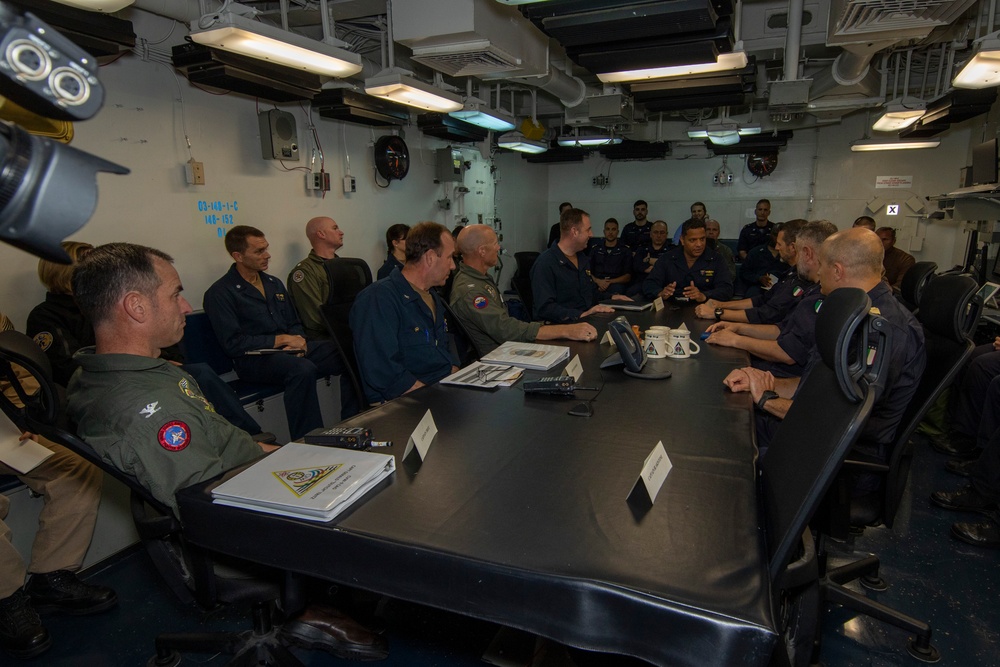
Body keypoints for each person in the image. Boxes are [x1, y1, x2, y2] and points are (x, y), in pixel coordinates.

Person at [64, 243, 387, 660]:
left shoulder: (130, 368)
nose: (185, 306)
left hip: (247, 472)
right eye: (175, 294)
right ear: (136, 307)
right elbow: (212, 509)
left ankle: (325, 592)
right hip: (235, 523)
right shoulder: (145, 411)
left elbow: (217, 439)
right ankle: (312, 607)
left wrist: (283, 452)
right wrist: (316, 481)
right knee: (370, 499)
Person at [722, 227, 926, 470]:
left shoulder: (883, 329)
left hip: (834, 453)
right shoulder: (850, 312)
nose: (818, 272)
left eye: (823, 265)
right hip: (814, 428)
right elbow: (814, 385)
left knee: (728, 437)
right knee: (730, 412)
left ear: (837, 271)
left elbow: (844, 417)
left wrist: (767, 399)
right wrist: (760, 381)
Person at [25, 243, 267, 438]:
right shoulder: (48, 315)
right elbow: (67, 366)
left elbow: (162, 339)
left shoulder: (111, 307)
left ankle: (245, 435)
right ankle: (247, 436)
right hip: (121, 380)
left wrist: (165, 362)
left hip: (152, 370)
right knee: (198, 375)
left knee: (194, 374)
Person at [0, 312, 116, 660]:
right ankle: (7, 599)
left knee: (76, 470)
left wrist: (22, 417)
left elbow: (16, 374)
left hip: (3, 429)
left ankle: (51, 576)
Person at [203, 226, 358, 440]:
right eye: (259, 252)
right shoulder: (220, 293)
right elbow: (233, 343)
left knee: (348, 350)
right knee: (301, 369)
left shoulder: (273, 283)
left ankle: (353, 418)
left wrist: (299, 341)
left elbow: (293, 322)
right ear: (238, 256)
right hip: (254, 359)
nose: (267, 255)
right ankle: (309, 438)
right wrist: (281, 340)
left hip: (291, 350)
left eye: (266, 249)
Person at [706, 221, 836, 378]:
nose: (777, 247)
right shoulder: (802, 282)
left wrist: (736, 339)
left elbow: (788, 351)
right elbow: (781, 328)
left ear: (806, 253)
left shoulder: (819, 296)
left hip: (783, 372)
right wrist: (738, 328)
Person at [350, 223, 460, 404]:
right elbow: (383, 370)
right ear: (430, 258)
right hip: (404, 400)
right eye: (449, 258)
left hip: (438, 387)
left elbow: (444, 344)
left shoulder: (431, 296)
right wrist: (432, 396)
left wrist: (458, 375)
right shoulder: (379, 298)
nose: (453, 266)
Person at [449, 226, 597, 354]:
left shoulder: (480, 279)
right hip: (498, 358)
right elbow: (505, 329)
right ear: (481, 251)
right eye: (495, 243)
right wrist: (565, 331)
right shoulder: (470, 291)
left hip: (507, 349)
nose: (498, 248)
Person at [695, 220, 812, 325]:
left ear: (792, 247)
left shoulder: (803, 280)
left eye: (779, 244)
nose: (776, 247)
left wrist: (718, 312)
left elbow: (767, 314)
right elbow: (762, 300)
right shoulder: (791, 273)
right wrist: (720, 305)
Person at [531, 208, 622, 322]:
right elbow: (545, 308)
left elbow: (590, 292)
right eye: (588, 230)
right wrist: (581, 315)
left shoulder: (582, 259)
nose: (591, 234)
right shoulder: (545, 263)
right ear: (574, 231)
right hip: (561, 327)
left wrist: (612, 298)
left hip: (586, 321)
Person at [25, 241, 95, 387]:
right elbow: (69, 369)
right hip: (87, 392)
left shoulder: (100, 306)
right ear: (67, 273)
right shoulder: (44, 316)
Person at [641, 218, 733, 303]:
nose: (699, 244)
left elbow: (726, 289)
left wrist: (704, 295)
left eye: (702, 239)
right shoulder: (667, 258)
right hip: (671, 308)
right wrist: (660, 293)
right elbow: (649, 284)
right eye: (693, 240)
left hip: (703, 308)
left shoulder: (716, 259)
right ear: (682, 240)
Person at [287, 216, 345, 341]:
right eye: (335, 228)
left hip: (346, 333)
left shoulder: (344, 266)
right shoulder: (305, 272)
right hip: (325, 339)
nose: (341, 232)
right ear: (321, 234)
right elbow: (315, 318)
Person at [738, 225, 786, 298]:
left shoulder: (789, 254)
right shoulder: (755, 252)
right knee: (752, 295)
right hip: (758, 287)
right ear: (770, 234)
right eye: (775, 234)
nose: (777, 238)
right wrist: (759, 278)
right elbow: (744, 272)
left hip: (783, 288)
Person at [588, 218, 632, 295]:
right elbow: (588, 271)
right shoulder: (595, 249)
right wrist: (598, 281)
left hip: (615, 284)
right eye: (608, 229)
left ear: (618, 232)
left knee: (618, 291)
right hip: (597, 282)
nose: (610, 232)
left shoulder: (625, 250)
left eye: (613, 229)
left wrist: (608, 282)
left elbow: (627, 276)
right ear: (604, 232)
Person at [630, 220, 671, 292]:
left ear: (666, 234)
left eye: (662, 233)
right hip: (642, 283)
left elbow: (671, 268)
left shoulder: (672, 250)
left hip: (664, 284)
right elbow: (636, 266)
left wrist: (649, 261)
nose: (658, 236)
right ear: (651, 234)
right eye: (655, 232)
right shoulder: (642, 249)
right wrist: (658, 267)